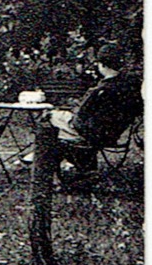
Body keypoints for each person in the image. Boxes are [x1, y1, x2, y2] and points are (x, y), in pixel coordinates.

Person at [51, 43, 142, 179]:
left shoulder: (101, 91)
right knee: (60, 118)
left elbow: (80, 118)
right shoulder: (132, 88)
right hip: (112, 134)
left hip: (90, 134)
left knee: (49, 117)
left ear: (102, 65)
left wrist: (67, 115)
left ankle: (42, 162)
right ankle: (76, 164)